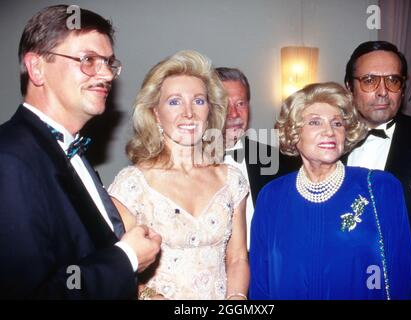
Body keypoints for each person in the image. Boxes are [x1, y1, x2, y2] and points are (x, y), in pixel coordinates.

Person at [0, 5, 161, 299]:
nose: (106, 75)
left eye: (109, 63)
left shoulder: (68, 149)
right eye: (88, 60)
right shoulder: (9, 158)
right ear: (37, 68)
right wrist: (127, 257)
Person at [249, 82, 411, 299]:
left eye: (337, 123)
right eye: (315, 122)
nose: (329, 131)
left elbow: (403, 276)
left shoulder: (380, 188)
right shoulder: (271, 196)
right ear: (294, 134)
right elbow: (260, 283)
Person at [108, 50, 250, 300]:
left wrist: (236, 299)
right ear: (155, 113)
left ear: (210, 109)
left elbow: (237, 257)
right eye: (174, 101)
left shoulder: (231, 180)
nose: (189, 113)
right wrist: (150, 295)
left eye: (198, 101)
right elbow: (117, 268)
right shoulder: (131, 185)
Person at [343, 41, 411, 299]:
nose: (383, 91)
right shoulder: (326, 142)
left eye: (393, 80)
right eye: (369, 80)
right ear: (349, 87)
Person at [216, 67, 299, 248]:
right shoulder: (185, 166)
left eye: (240, 103)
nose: (234, 114)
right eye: (223, 105)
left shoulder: (281, 163)